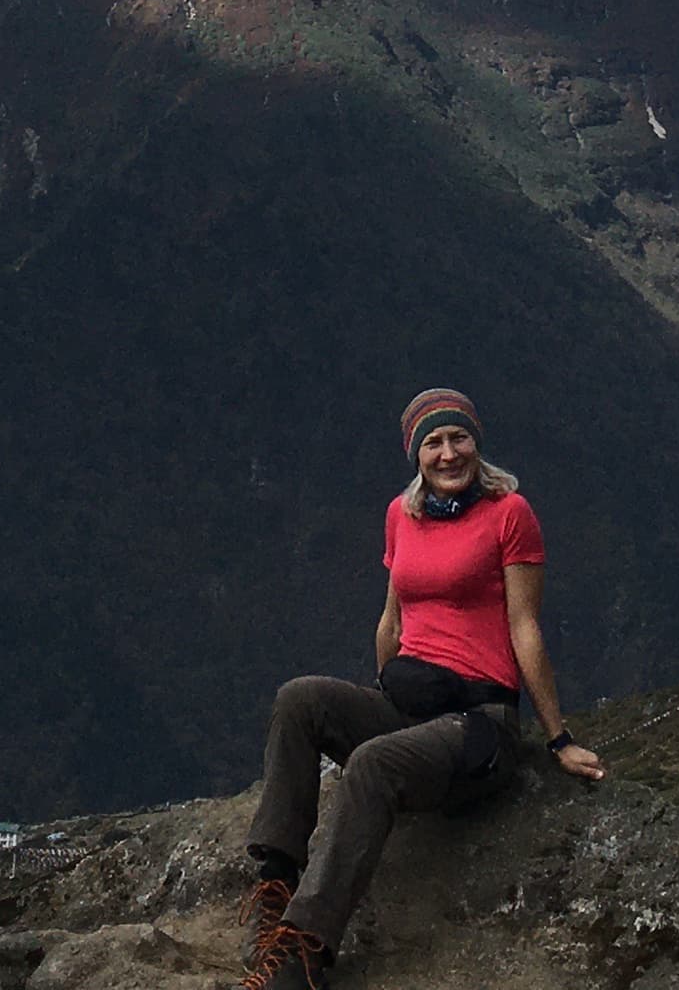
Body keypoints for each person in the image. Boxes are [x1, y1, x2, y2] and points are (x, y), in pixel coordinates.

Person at [237, 389, 606, 989]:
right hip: (413, 705)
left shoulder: (509, 512)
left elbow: (525, 626)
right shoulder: (400, 514)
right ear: (415, 453)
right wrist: (385, 696)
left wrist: (558, 738)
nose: (448, 453)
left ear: (476, 442)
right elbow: (393, 617)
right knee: (299, 698)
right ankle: (276, 888)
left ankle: (304, 952)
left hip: (478, 725)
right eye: (433, 442)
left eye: (458, 438)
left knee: (374, 764)